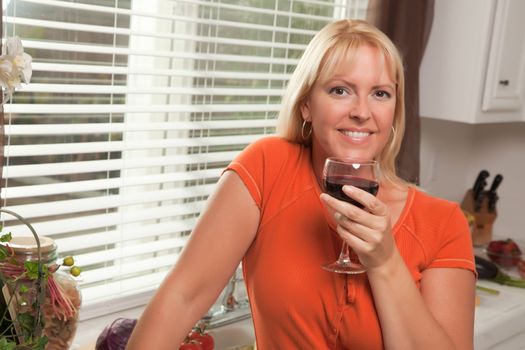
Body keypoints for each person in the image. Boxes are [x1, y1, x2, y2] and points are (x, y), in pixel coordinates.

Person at [127, 19, 476, 350]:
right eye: (341, 90)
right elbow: (182, 298)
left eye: (380, 94)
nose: (362, 111)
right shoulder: (268, 168)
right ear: (307, 104)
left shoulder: (442, 224)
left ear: (395, 110)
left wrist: (384, 262)